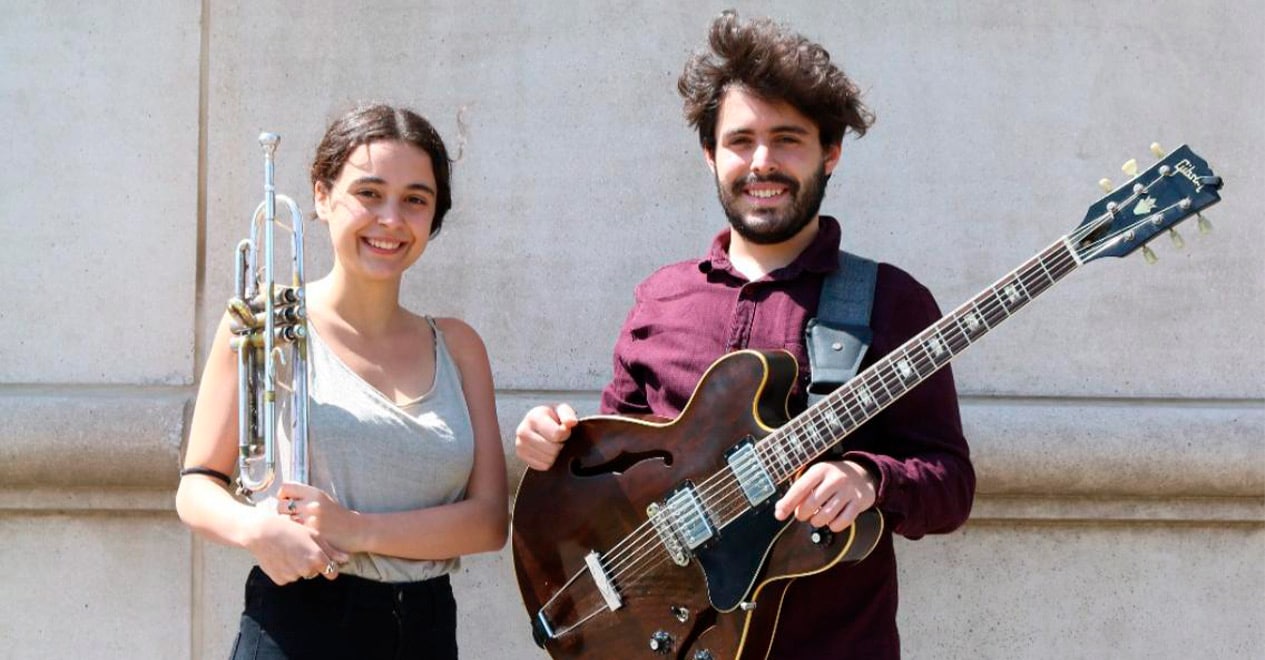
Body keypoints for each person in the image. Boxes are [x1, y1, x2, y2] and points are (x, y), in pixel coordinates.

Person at [515, 11, 974, 658]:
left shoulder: (891, 303)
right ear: (709, 155)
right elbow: (608, 470)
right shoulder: (661, 298)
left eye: (787, 139)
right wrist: (553, 445)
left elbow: (949, 485)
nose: (762, 162)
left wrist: (868, 479)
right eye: (740, 141)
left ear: (830, 153)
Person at [176, 104, 508, 659]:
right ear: (323, 196)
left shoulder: (460, 348)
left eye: (415, 200)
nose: (391, 219)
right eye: (369, 193)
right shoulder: (264, 323)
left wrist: (358, 530)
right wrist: (255, 530)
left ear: (433, 217)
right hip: (298, 624)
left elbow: (489, 522)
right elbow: (196, 486)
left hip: (425, 630)